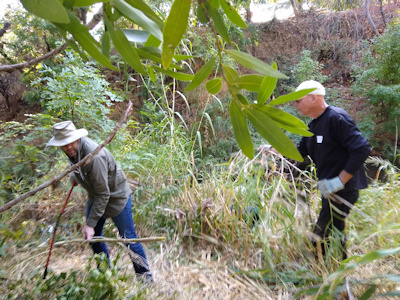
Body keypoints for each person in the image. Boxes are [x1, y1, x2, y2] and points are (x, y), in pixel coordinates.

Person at [47, 120, 152, 281]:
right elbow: (78, 168)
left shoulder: (93, 156)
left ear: (77, 138)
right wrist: (75, 177)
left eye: (71, 142)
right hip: (97, 197)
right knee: (94, 238)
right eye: (64, 144)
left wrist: (90, 224)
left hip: (117, 198)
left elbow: (104, 194)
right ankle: (104, 275)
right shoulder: (74, 152)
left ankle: (145, 279)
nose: (68, 147)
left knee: (129, 239)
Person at [294, 80, 371, 260]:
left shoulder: (337, 118)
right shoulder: (313, 126)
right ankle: (337, 268)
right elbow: (299, 153)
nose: (295, 104)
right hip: (328, 190)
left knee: (320, 234)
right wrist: (274, 149)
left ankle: (324, 270)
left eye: (298, 100)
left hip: (344, 190)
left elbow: (361, 149)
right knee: (335, 232)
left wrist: (340, 181)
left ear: (313, 98)